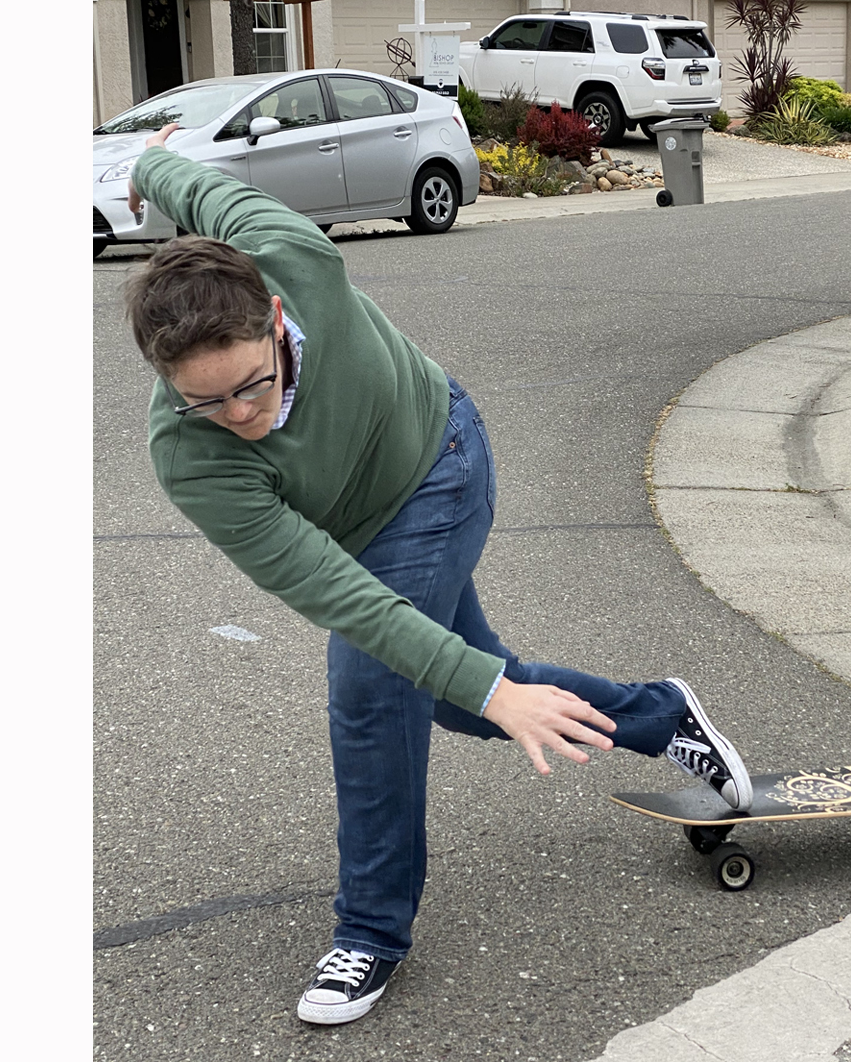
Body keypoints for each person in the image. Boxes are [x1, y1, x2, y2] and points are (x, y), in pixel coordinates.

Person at [121, 124, 751, 1027]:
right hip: (359, 540)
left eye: (252, 385)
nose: (241, 414)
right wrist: (490, 692)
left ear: (272, 314)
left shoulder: (293, 254)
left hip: (437, 457)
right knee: (460, 692)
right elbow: (337, 588)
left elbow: (196, 182)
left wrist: (150, 156)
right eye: (207, 400)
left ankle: (370, 933)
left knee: (374, 687)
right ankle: (663, 713)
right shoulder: (191, 458)